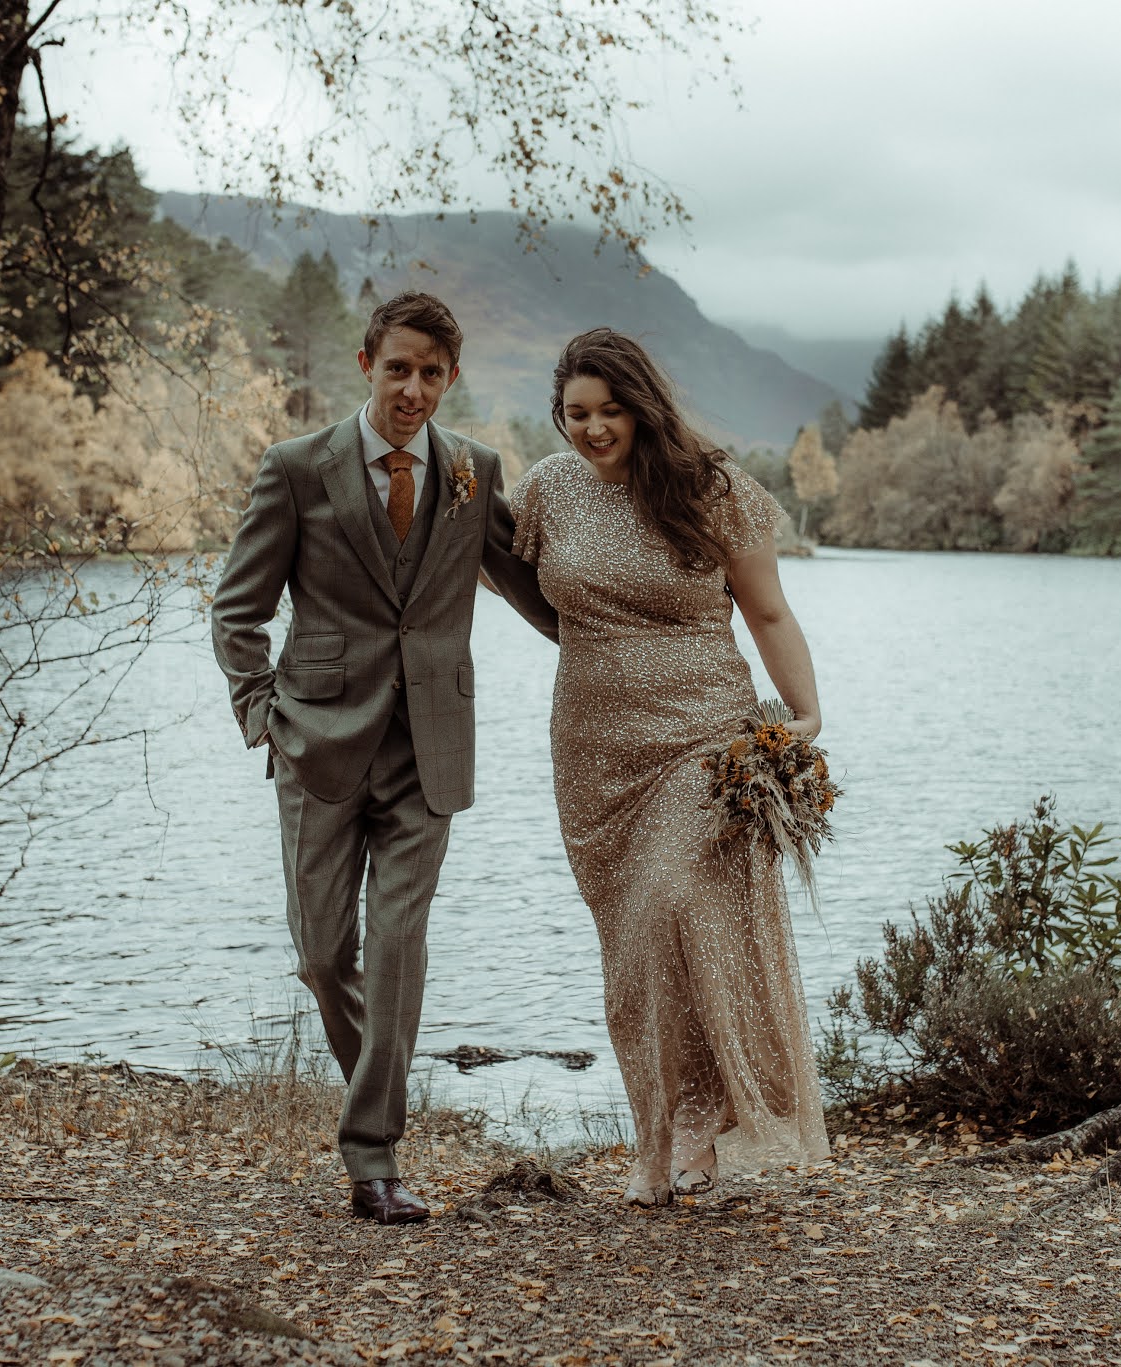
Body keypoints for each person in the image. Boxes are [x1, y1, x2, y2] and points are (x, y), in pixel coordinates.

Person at [210, 292, 559, 1224]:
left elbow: (537, 592)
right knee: (326, 956)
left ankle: (375, 1156)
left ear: (453, 377)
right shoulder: (295, 469)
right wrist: (263, 718)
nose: (413, 388)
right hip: (317, 742)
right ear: (365, 363)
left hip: (430, 748)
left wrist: (635, 640)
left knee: (398, 946)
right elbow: (235, 610)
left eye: (432, 373)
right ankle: (384, 1092)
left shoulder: (475, 472)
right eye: (398, 368)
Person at [508, 327, 830, 1206]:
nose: (594, 428)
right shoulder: (546, 489)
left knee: (677, 899)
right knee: (638, 950)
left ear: (644, 406)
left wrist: (802, 711)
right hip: (594, 754)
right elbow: (504, 571)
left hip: (703, 738)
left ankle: (698, 1129)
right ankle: (659, 1139)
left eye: (611, 409)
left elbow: (766, 612)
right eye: (577, 413)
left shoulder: (713, 489)